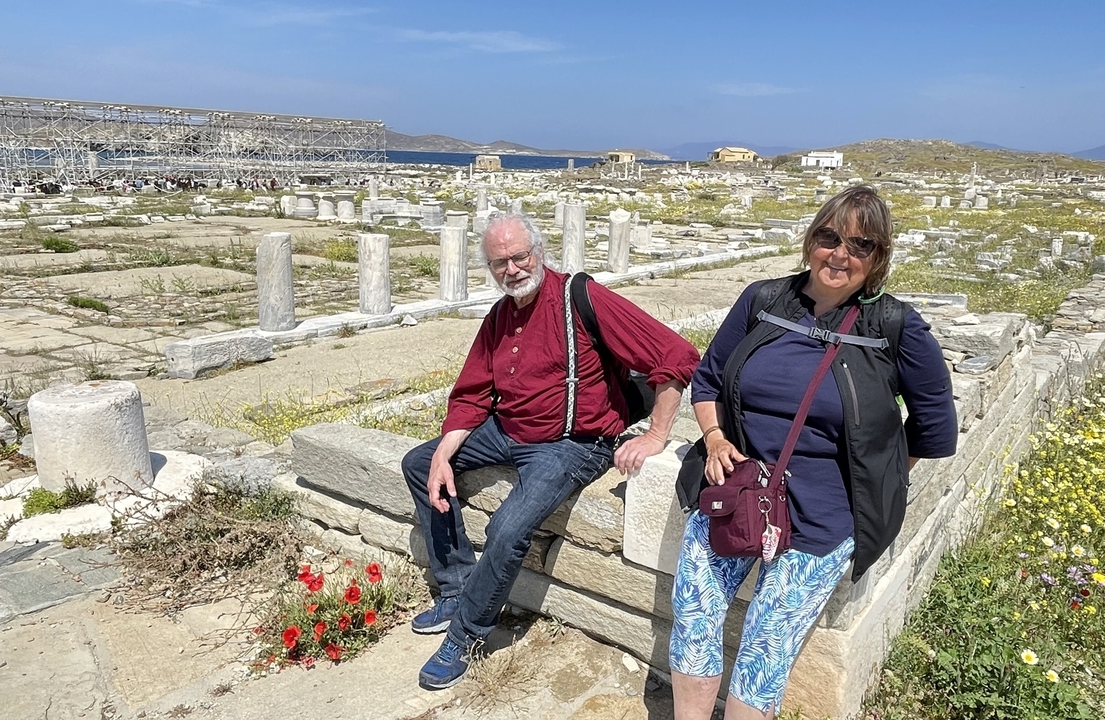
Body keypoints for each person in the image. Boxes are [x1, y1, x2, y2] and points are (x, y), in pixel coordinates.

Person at [669, 186, 958, 719]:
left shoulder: (894, 326)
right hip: (736, 493)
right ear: (811, 240)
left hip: (823, 516)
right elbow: (707, 380)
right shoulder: (763, 300)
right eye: (829, 237)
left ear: (878, 259)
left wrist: (876, 473)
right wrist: (714, 438)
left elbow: (936, 429)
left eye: (860, 245)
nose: (840, 255)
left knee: (764, 652)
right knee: (694, 617)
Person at [402, 212, 700, 690]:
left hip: (572, 443)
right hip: (509, 429)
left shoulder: (578, 295)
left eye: (520, 257)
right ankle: (458, 587)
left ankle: (466, 636)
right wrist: (444, 451)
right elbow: (473, 391)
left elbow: (676, 355)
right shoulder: (500, 315)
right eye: (500, 263)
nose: (513, 269)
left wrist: (655, 437)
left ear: (538, 253)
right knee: (419, 463)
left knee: (508, 526)